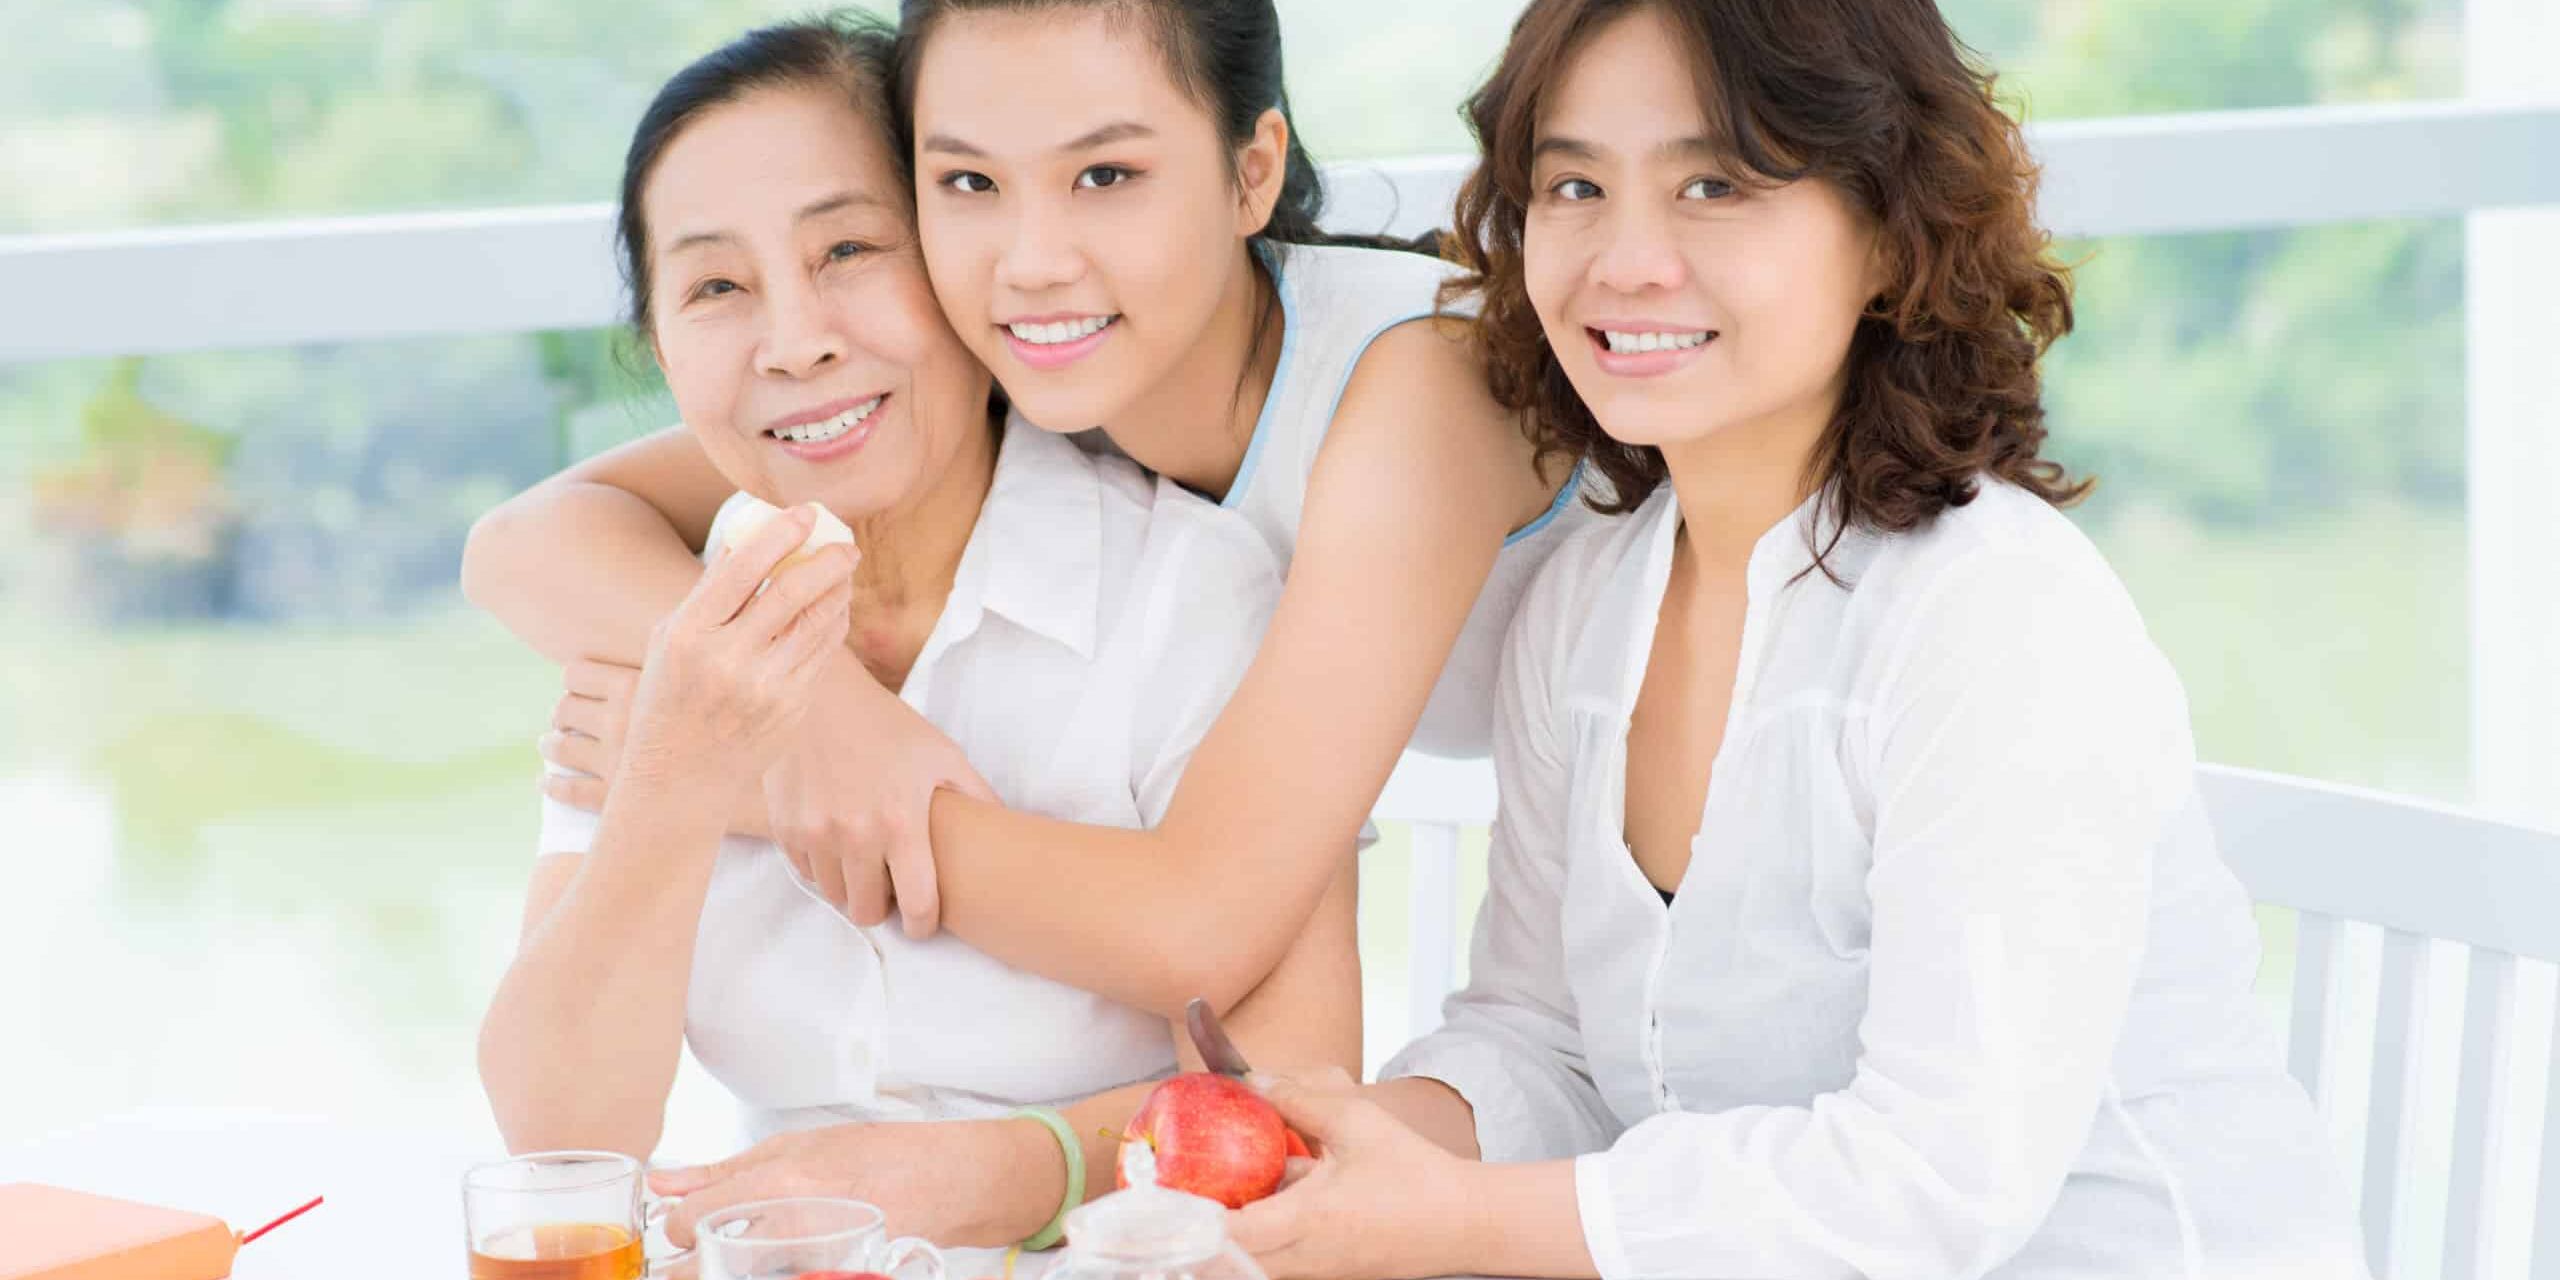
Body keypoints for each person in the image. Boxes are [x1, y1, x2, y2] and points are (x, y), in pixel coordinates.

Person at [1224, 2, 2367, 1277]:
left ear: (1887, 230)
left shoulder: (1993, 617)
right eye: (1574, 184)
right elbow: (1541, 1042)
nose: (1625, 258)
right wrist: (1328, 1155)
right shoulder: (1587, 601)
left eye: (1714, 183)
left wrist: (1445, 1219)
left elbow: (1934, 1181)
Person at [458, 0, 1591, 1030]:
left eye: (1105, 175)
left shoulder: (1414, 391)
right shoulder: (1038, 363)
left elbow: (1196, 925)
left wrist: (757, 787)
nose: (1033, 262)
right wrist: (823, 718)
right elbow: (527, 541)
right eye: (968, 184)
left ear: (1251, 173)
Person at [472, 17, 1357, 1253]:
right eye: (716, 285)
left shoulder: (1188, 590)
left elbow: (1290, 1098)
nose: (795, 341)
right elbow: (561, 1136)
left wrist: (1006, 1170)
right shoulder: (674, 621)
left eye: (848, 248)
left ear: (956, 257)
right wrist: (686, 771)